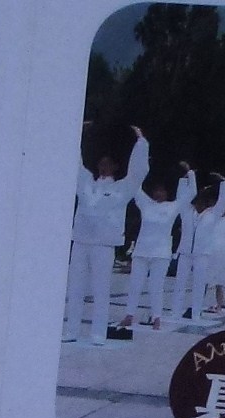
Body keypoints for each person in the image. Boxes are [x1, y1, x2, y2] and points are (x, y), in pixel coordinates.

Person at [68, 127, 150, 345]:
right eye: (101, 164)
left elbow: (138, 172)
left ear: (115, 167)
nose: (104, 167)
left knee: (101, 290)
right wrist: (76, 131)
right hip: (81, 241)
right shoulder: (86, 183)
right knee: (75, 288)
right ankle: (71, 331)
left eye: (108, 164)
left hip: (104, 245)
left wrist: (141, 143)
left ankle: (98, 334)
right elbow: (75, 162)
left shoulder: (122, 188)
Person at [131, 168, 190, 329]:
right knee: (135, 285)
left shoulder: (173, 206)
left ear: (166, 193)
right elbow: (135, 187)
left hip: (161, 254)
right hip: (141, 251)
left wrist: (188, 175)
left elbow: (190, 194)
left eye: (161, 191)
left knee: (156, 287)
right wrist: (141, 167)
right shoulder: (145, 204)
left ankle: (157, 317)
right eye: (156, 191)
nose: (158, 193)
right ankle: (129, 314)